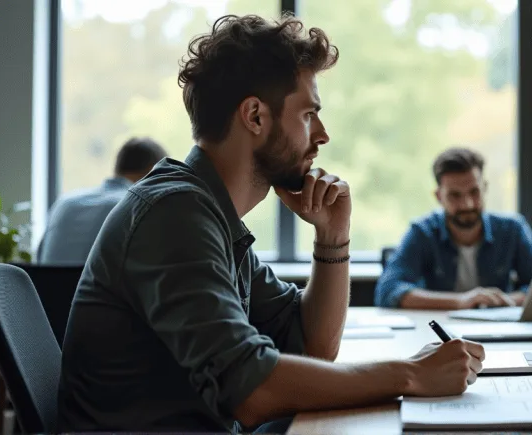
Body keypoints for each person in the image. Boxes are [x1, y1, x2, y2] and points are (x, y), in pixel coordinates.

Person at [57, 14, 484, 434]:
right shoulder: (175, 216)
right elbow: (252, 392)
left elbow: (314, 347)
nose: (322, 135)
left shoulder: (210, 214)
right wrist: (409, 375)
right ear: (256, 116)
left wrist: (332, 237)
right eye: (307, 115)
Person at [374, 147, 532, 310]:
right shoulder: (422, 232)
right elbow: (388, 291)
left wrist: (505, 301)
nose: (467, 204)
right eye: (455, 195)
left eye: (474, 192)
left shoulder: (512, 229)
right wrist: (461, 301)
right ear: (439, 196)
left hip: (500, 331)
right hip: (438, 333)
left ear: (485, 188)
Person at [37, 137, 167, 265]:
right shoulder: (136, 206)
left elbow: (40, 259)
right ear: (154, 170)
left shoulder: (64, 203)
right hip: (94, 285)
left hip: (47, 286)